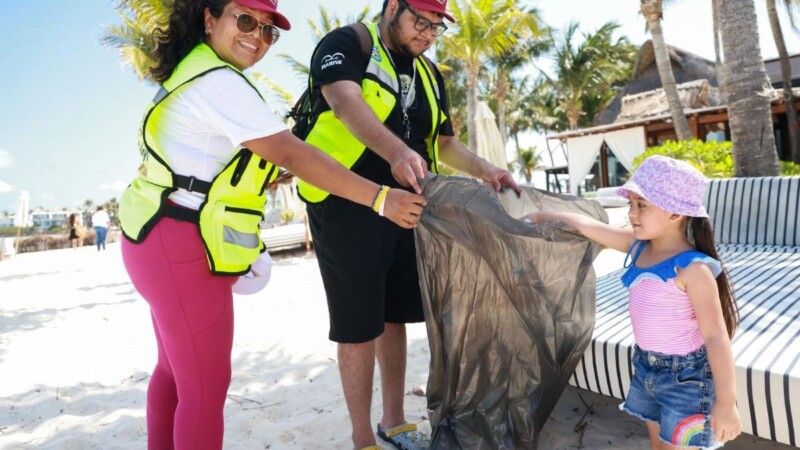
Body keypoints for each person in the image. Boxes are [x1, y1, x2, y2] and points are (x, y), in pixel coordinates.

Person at [116, 1, 425, 448]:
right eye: (245, 20)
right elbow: (292, 153)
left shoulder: (198, 70)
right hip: (181, 243)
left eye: (268, 31)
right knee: (205, 387)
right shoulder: (220, 82)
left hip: (152, 237)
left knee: (174, 374)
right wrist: (380, 198)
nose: (256, 36)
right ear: (209, 18)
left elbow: (217, 161)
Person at [296, 0, 520, 448]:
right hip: (348, 203)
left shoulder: (430, 75)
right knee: (358, 323)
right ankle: (363, 440)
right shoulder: (348, 43)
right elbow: (343, 101)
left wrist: (487, 170)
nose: (428, 34)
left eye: (437, 26)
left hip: (412, 207)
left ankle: (393, 422)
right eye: (420, 21)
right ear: (392, 7)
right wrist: (396, 152)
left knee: (394, 312)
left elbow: (445, 144)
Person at [521, 156, 741, 450]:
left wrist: (726, 402)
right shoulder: (638, 248)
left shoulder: (693, 269)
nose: (632, 213)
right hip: (646, 368)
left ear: (675, 213)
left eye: (642, 205)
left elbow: (715, 335)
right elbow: (587, 226)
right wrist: (540, 216)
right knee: (659, 444)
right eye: (631, 204)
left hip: (686, 379)